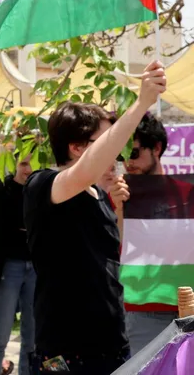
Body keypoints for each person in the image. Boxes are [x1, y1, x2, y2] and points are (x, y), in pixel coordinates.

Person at [23, 61, 166, 374]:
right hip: (68, 354)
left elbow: (114, 256)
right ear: (76, 147)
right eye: (106, 142)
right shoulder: (43, 184)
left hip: (111, 346)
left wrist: (119, 211)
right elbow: (84, 170)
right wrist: (142, 103)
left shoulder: (98, 194)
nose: (115, 154)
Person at [118, 113, 184, 355]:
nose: (128, 163)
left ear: (156, 148)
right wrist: (118, 210)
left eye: (134, 153)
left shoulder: (187, 196)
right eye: (122, 156)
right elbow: (116, 251)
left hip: (188, 310)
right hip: (143, 313)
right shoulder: (119, 197)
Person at [0, 157, 35, 375]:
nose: (28, 169)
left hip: (34, 268)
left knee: (32, 340)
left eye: (33, 164)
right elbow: (1, 229)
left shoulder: (39, 188)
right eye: (23, 164)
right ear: (14, 165)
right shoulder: (2, 188)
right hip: (7, 267)